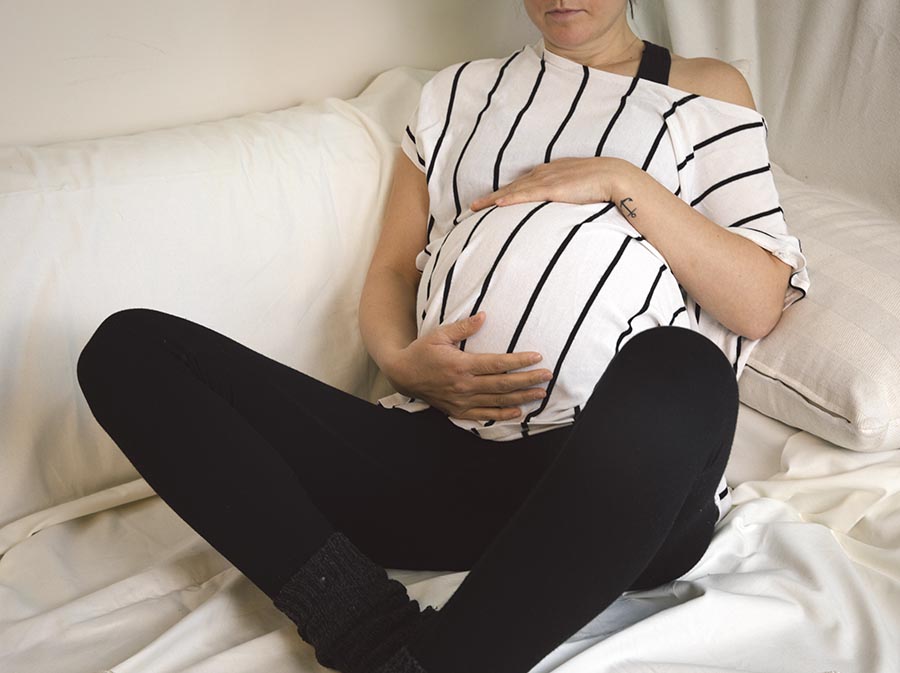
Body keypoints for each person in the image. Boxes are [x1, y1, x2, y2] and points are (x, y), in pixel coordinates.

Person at [76, 2, 810, 673]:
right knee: (129, 350)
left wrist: (623, 182)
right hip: (444, 462)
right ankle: (370, 633)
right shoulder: (456, 93)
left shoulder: (704, 89)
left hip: (617, 483)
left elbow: (758, 301)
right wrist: (401, 362)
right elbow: (394, 269)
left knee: (683, 366)